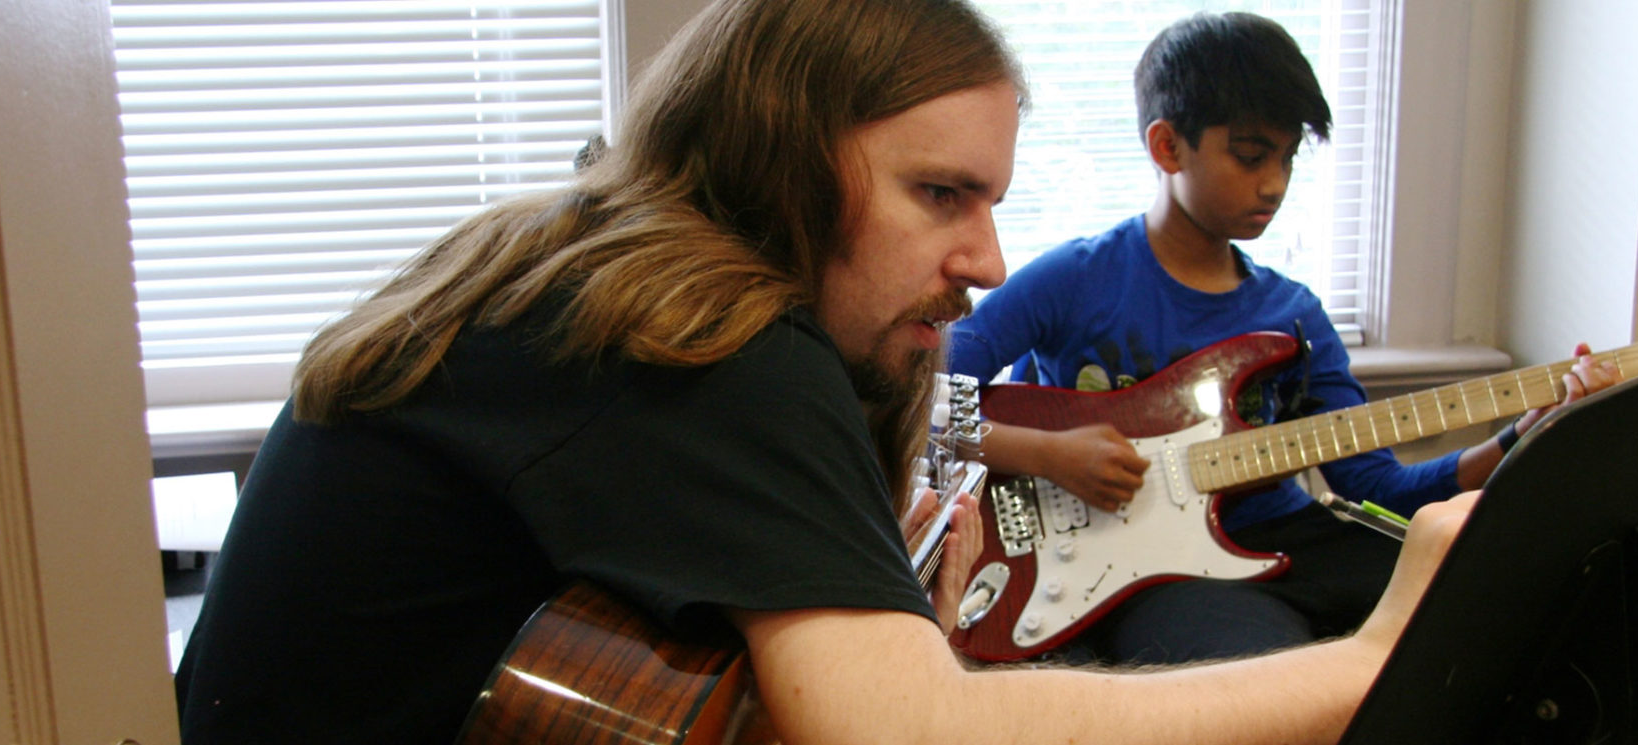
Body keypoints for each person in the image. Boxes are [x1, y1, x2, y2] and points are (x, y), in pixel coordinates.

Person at [173, 1, 1477, 743]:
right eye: (940, 194)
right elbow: (906, 730)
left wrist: (901, 521)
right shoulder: (710, 333)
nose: (987, 259)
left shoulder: (583, 258)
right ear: (782, 156)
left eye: (993, 201)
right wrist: (1372, 660)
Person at [948, 11, 1621, 666]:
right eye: (1249, 156)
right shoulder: (1078, 278)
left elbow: (1379, 485)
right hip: (1148, 571)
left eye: (1287, 157)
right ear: (1167, 146)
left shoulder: (1292, 313)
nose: (1274, 183)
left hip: (1288, 539)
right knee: (1263, 679)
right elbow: (921, 395)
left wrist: (1522, 436)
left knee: (1525, 616)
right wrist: (1047, 453)